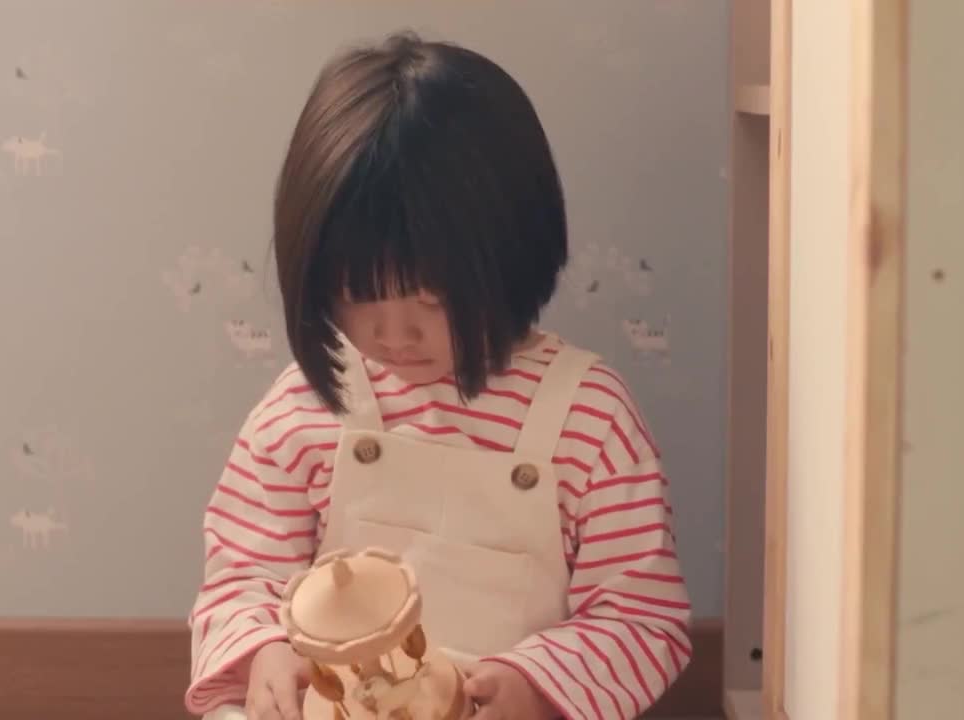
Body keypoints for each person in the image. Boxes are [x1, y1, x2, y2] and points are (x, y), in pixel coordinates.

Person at [185, 31, 691, 720]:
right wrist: (264, 651)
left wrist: (535, 686)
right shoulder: (303, 408)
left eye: (430, 300)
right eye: (357, 298)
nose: (394, 335)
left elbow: (639, 617)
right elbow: (242, 575)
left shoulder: (589, 418)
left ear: (511, 252)